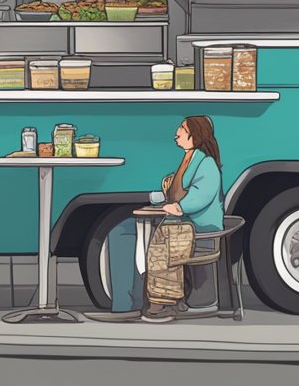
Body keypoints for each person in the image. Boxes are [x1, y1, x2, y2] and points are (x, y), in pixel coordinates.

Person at [87, 116, 224, 324]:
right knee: (121, 230)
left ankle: (161, 304)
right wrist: (156, 199)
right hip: (180, 220)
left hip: (198, 225)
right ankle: (125, 304)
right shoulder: (188, 159)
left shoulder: (206, 163)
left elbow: (201, 195)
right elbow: (176, 190)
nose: (177, 132)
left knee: (162, 242)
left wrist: (179, 207)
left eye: (182, 128)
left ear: (196, 136)